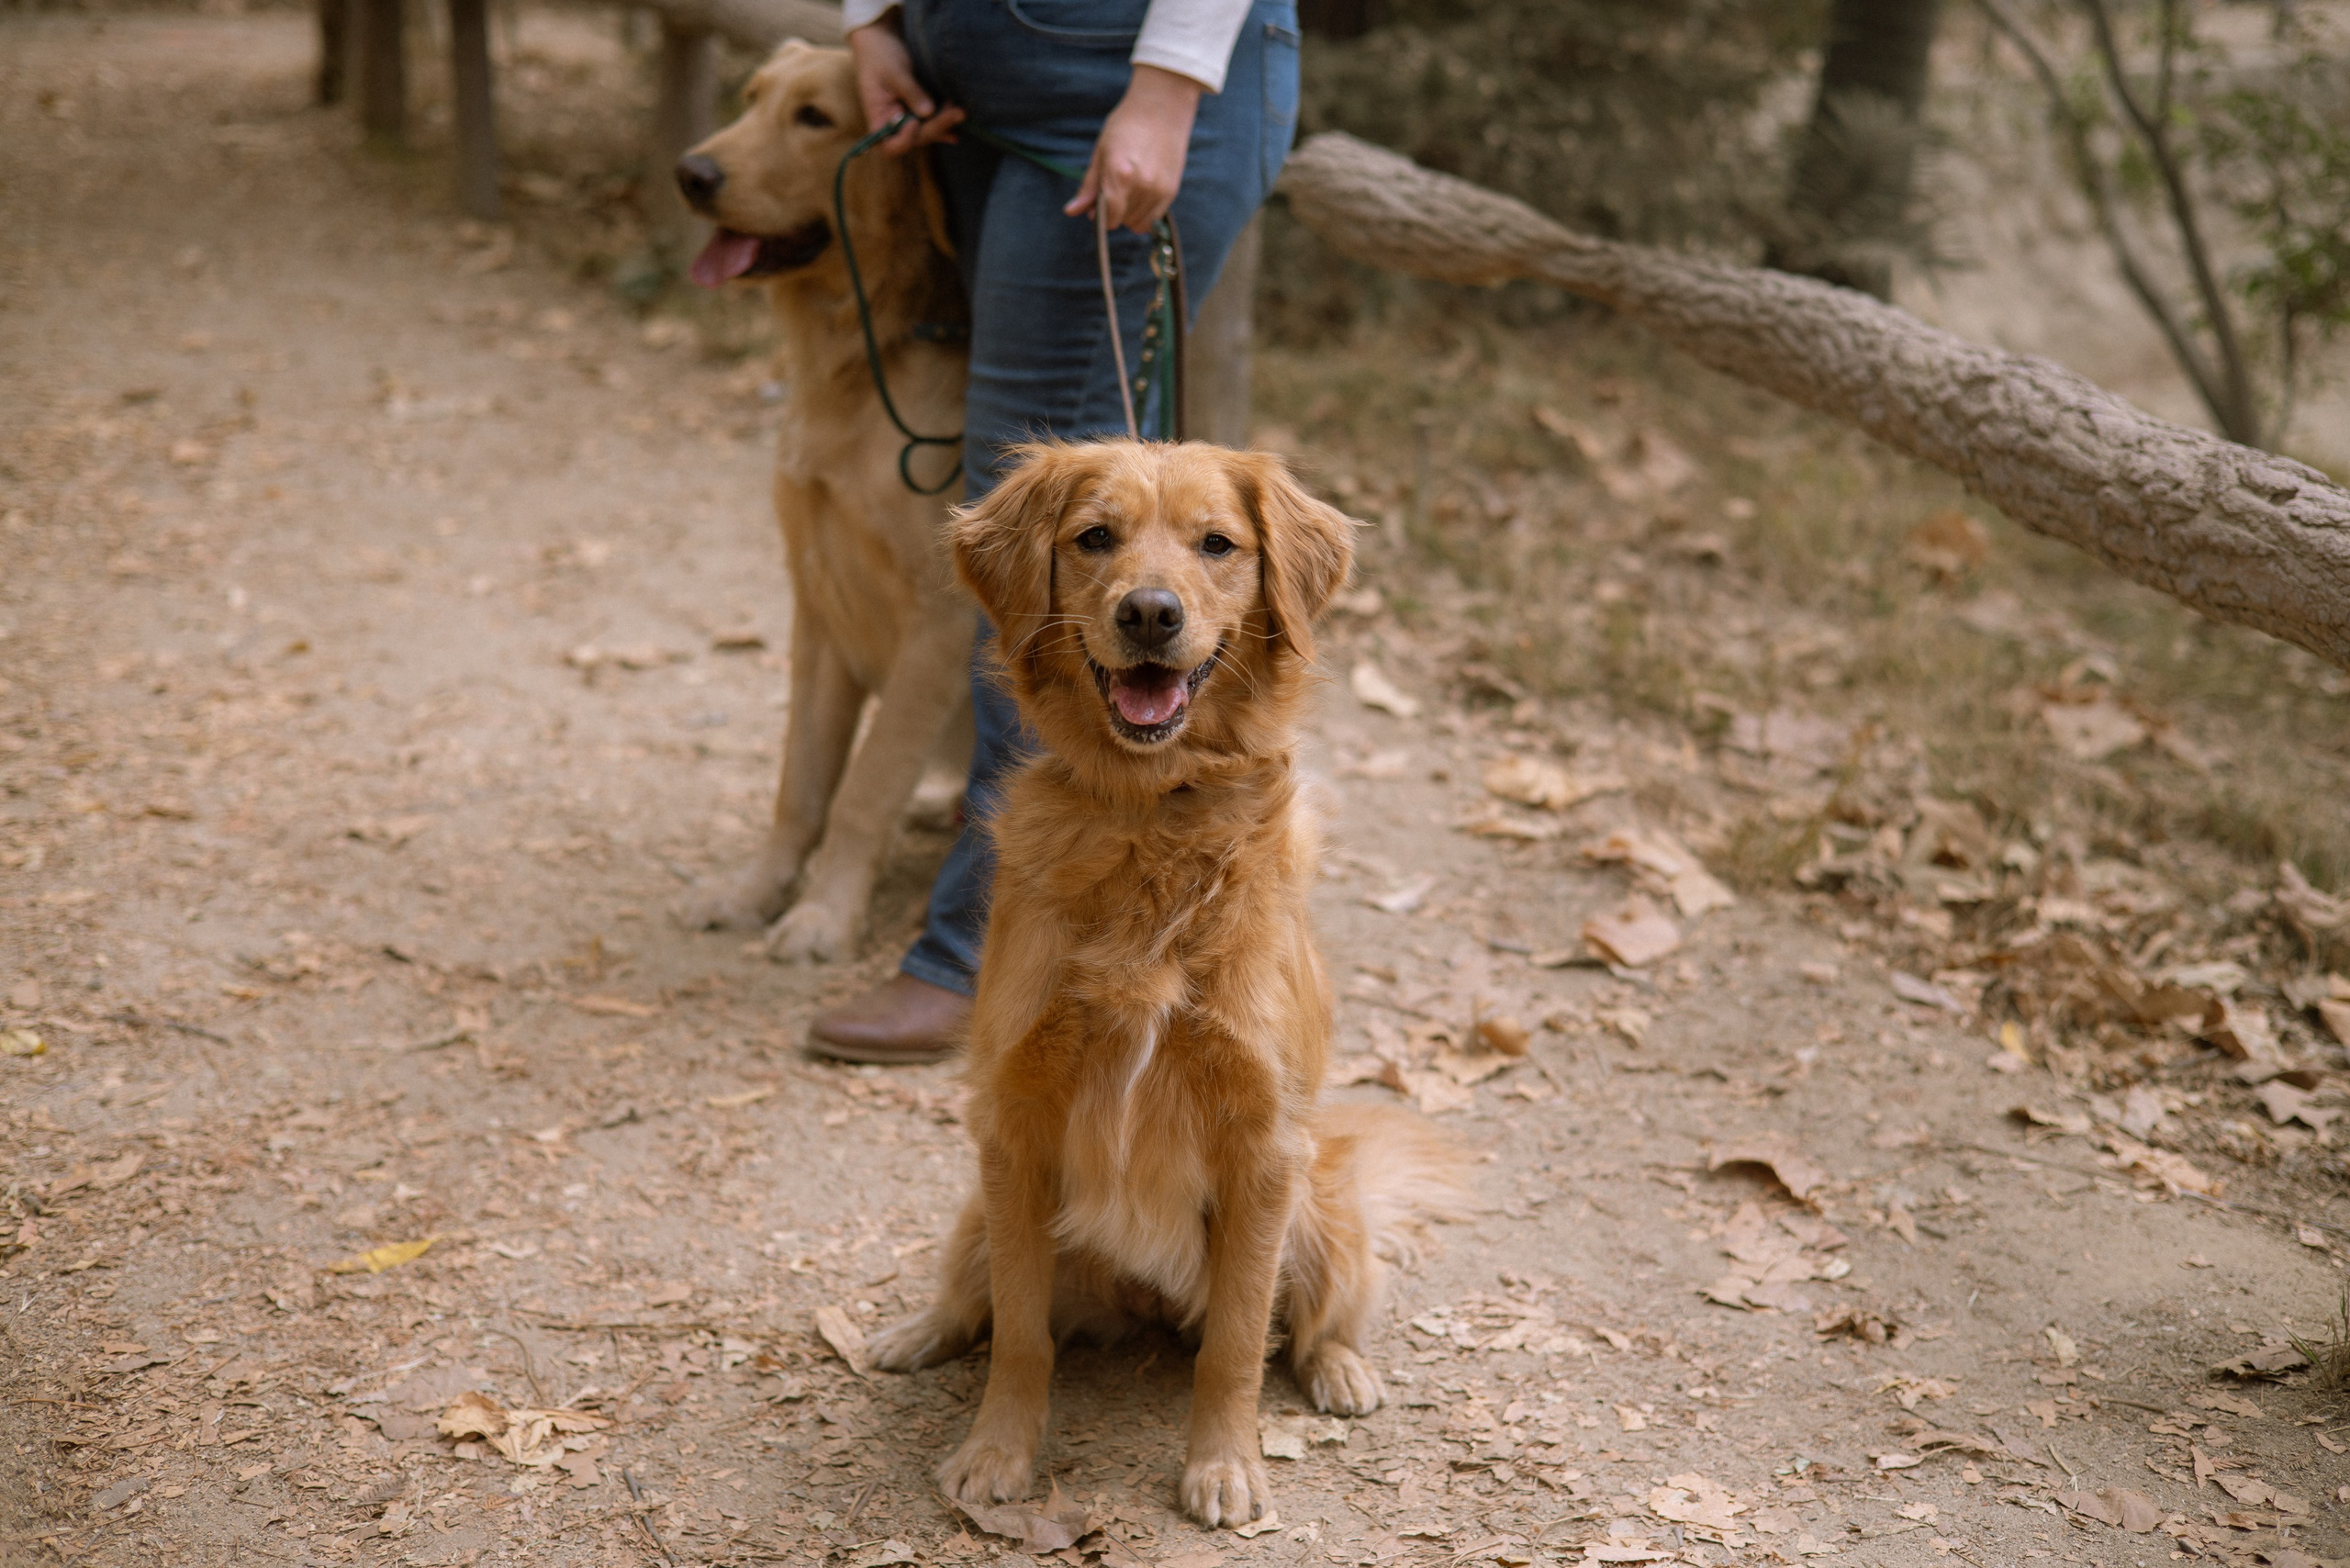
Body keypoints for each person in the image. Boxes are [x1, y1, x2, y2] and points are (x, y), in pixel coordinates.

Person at [804, 0, 1300, 1062]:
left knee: (1055, 549)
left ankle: (978, 952)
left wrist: (1168, 81)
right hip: (959, 86)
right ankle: (1077, 886)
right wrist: (874, 20)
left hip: (1116, 85)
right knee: (1055, 530)